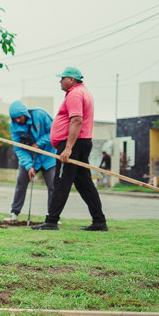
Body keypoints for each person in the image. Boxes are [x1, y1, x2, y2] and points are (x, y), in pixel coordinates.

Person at [32, 67, 108, 231]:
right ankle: (99, 221)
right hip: (81, 143)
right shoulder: (83, 92)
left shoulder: (75, 94)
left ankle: (51, 221)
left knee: (60, 182)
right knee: (84, 184)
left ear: (72, 79)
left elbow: (76, 121)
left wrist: (67, 148)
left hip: (73, 144)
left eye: (63, 78)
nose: (60, 80)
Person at [3, 100, 56, 222]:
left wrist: (39, 143)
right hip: (29, 157)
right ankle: (14, 213)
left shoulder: (40, 114)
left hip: (48, 156)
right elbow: (18, 148)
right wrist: (28, 166)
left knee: (53, 186)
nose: (17, 120)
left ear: (24, 113)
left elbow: (53, 132)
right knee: (21, 183)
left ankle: (53, 216)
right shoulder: (14, 127)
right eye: (14, 118)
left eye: (19, 117)